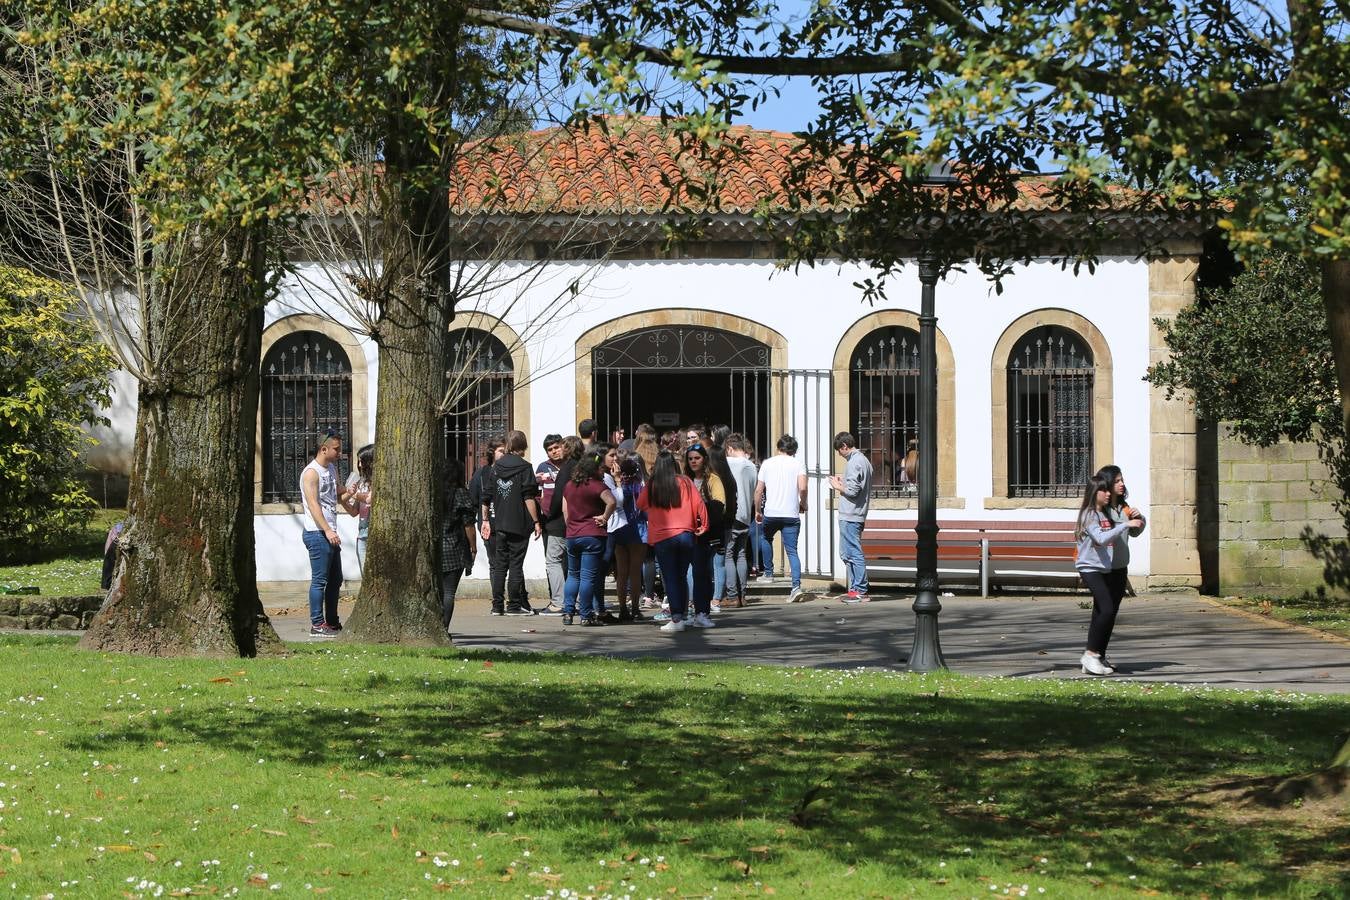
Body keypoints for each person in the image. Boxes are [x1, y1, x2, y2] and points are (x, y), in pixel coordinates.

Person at [1074, 474, 1145, 675]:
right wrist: (1125, 525)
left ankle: (1095, 657)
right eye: (1103, 490)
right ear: (1094, 493)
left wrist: (1134, 520)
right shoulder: (1089, 514)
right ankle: (1090, 655)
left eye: (1108, 490)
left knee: (1105, 611)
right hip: (1089, 568)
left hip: (1104, 568)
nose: (1107, 494)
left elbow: (1121, 531)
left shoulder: (1104, 514)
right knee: (1106, 609)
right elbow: (1100, 538)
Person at [638, 449, 708, 633]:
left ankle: (676, 618)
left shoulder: (652, 485)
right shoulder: (685, 481)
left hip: (663, 536)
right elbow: (699, 503)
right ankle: (682, 614)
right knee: (681, 575)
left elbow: (640, 504)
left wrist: (653, 512)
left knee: (670, 577)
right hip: (686, 533)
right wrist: (704, 524)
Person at [480, 430, 543, 616]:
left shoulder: (496, 468)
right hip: (519, 523)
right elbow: (528, 497)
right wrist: (536, 521)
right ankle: (514, 605)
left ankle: (497, 606)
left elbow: (486, 497)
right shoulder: (525, 467)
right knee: (516, 565)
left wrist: (485, 520)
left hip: (500, 523)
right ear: (522, 445)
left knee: (500, 565)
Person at [300, 431, 355, 637]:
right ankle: (317, 624)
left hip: (330, 533)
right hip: (317, 533)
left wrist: (351, 493)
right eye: (336, 449)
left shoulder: (331, 469)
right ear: (324, 449)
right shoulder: (311, 473)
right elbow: (314, 505)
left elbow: (338, 492)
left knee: (336, 579)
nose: (339, 453)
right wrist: (327, 529)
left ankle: (332, 622)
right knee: (320, 580)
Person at [562, 449, 616, 626]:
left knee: (573, 575)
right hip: (592, 534)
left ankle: (568, 613)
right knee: (587, 577)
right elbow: (612, 502)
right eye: (601, 468)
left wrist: (571, 525)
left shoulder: (569, 485)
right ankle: (586, 615)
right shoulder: (597, 485)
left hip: (572, 534)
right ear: (594, 468)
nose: (603, 471)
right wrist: (605, 517)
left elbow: (565, 510)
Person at [755, 434, 808, 598]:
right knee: (792, 551)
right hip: (791, 514)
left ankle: (769, 573)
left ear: (778, 448)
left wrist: (757, 510)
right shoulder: (798, 464)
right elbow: (803, 488)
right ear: (794, 450)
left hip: (771, 513)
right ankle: (796, 587)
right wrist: (802, 503)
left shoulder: (767, 463)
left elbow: (758, 490)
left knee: (765, 538)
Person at [830, 431, 875, 604]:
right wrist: (844, 482)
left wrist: (837, 486)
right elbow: (857, 486)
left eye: (839, 451)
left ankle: (860, 590)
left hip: (851, 514)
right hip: (854, 514)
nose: (840, 455)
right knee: (846, 553)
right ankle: (854, 589)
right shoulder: (863, 460)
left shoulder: (854, 462)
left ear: (844, 447)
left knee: (853, 552)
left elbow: (854, 491)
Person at [607, 451, 648, 621]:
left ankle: (623, 608)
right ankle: (636, 609)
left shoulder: (619, 487)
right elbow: (646, 512)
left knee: (621, 572)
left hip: (620, 529)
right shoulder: (641, 488)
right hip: (638, 529)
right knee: (635, 572)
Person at [439, 458, 476, 635]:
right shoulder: (460, 494)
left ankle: (436, 628)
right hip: (454, 547)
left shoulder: (433, 493)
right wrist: (473, 547)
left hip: (435, 547)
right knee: (449, 592)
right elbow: (468, 524)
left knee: (437, 591)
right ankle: (444, 629)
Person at [722, 434, 758, 608]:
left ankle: (732, 595)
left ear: (729, 448)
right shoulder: (752, 466)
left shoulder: (728, 463)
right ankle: (743, 595)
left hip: (731, 513)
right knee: (741, 554)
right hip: (746, 514)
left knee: (729, 555)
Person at [535, 434, 568, 615]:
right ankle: (555, 598)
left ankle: (566, 600)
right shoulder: (543, 468)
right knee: (553, 561)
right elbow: (536, 494)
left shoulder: (571, 466)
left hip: (569, 520)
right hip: (549, 521)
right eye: (550, 449)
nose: (554, 451)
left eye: (556, 447)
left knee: (568, 562)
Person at [344, 444, 374, 572]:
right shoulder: (361, 481)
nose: (360, 465)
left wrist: (353, 494)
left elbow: (370, 498)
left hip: (374, 533)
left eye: (362, 461)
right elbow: (354, 512)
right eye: (359, 461)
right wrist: (343, 500)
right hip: (362, 535)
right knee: (365, 573)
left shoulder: (379, 479)